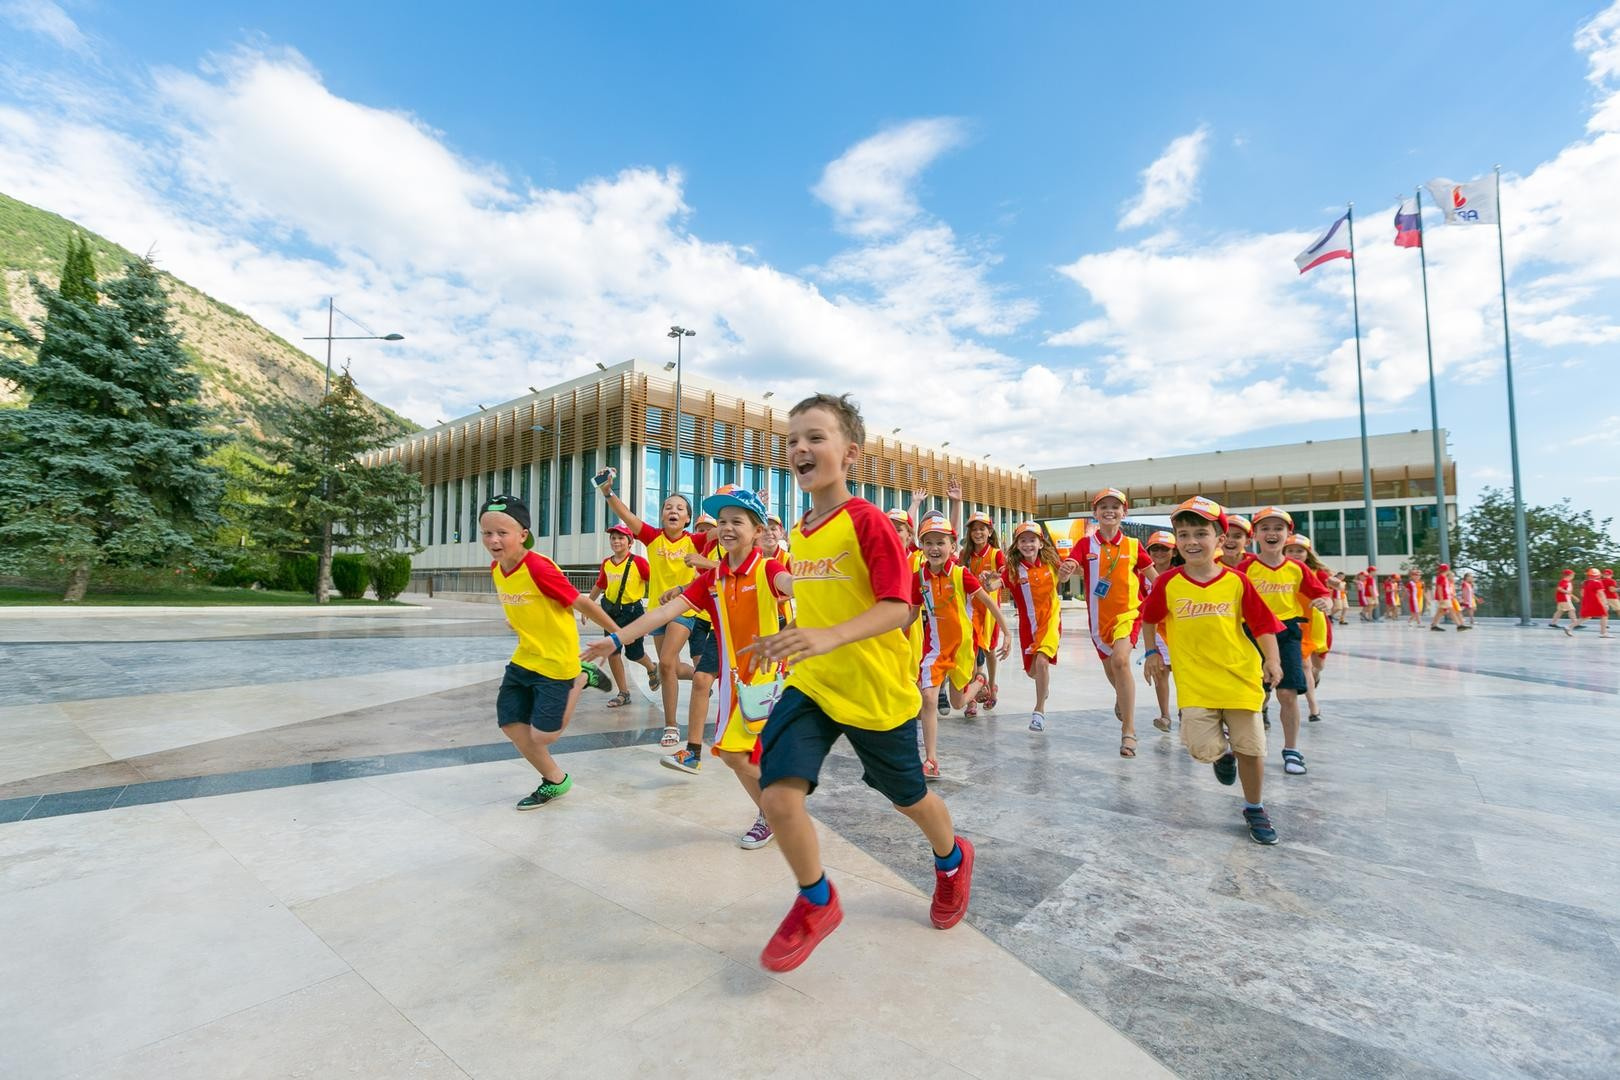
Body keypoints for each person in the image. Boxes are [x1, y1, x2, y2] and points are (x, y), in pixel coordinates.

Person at [749, 393, 974, 973]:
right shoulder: (801, 529)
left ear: (850, 454)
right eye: (792, 438)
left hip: (876, 690)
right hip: (815, 683)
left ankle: (952, 861)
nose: (800, 446)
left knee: (908, 797)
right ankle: (816, 900)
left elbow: (899, 608)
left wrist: (828, 636)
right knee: (777, 792)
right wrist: (795, 635)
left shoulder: (867, 520)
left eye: (815, 436)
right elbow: (826, 601)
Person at [584, 485, 793, 848]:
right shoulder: (713, 578)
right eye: (723, 521)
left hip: (767, 678)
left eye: (737, 521)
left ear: (758, 531)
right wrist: (617, 639)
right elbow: (665, 612)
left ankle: (776, 812)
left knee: (743, 752)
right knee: (733, 753)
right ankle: (773, 812)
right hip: (733, 681)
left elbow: (792, 586)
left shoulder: (768, 568)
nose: (727, 528)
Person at [1142, 497, 1286, 845]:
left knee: (1252, 748)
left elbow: (1263, 625)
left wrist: (1272, 660)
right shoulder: (1168, 583)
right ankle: (1222, 756)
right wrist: (1150, 652)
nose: (1192, 541)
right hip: (1195, 683)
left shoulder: (1237, 582)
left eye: (1201, 533)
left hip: (1240, 677)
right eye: (1184, 534)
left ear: (1219, 539)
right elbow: (1148, 618)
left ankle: (1255, 807)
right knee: (1200, 748)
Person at [479, 495, 616, 810]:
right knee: (511, 723)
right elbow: (525, 602)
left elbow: (580, 602)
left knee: (544, 736)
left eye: (502, 532)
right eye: (487, 533)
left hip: (557, 661)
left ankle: (581, 678)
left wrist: (618, 635)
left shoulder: (539, 567)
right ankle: (555, 780)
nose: (494, 540)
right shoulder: (497, 568)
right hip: (526, 657)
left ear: (523, 534)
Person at [598, 475, 716, 768]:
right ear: (662, 515)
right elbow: (627, 516)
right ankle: (704, 675)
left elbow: (726, 531)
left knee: (664, 663)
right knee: (672, 668)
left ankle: (671, 725)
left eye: (679, 508)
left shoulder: (697, 540)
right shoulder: (652, 537)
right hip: (657, 612)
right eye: (667, 507)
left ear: (688, 518)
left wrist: (754, 513)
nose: (672, 510)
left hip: (685, 608)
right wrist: (608, 493)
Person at [912, 512, 1010, 778]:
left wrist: (1007, 633)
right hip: (935, 650)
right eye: (928, 542)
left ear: (953, 546)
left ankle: (979, 680)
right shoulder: (919, 578)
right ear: (922, 547)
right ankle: (931, 760)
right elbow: (910, 615)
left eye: (940, 542)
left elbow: (989, 603)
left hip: (963, 651)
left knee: (957, 703)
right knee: (929, 698)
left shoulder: (961, 574)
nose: (934, 548)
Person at [1061, 488, 1156, 757]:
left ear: (1124, 513)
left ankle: (1129, 730)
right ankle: (1122, 697)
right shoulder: (1084, 544)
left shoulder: (1135, 547)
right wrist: (1065, 571)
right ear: (1095, 513)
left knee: (1120, 661)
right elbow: (1067, 573)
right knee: (1112, 668)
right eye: (1104, 506)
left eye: (1116, 506)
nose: (1110, 510)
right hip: (1098, 620)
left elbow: (1155, 579)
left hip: (1129, 614)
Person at [1240, 508, 1332, 776]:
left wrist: (1324, 601)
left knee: (1287, 693)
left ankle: (1291, 749)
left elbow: (1321, 593)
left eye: (1278, 528)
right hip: (1252, 634)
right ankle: (1246, 745)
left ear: (1288, 534)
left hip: (1287, 633)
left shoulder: (1297, 568)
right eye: (1265, 528)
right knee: (1255, 694)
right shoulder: (1245, 568)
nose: (1272, 533)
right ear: (1255, 535)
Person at [1006, 521, 1077, 732]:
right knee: (1032, 672)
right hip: (1028, 628)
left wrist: (1065, 572)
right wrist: (988, 581)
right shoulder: (1013, 570)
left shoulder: (1051, 563)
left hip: (1051, 623)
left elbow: (1064, 577)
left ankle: (1039, 711)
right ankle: (1043, 686)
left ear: (1040, 543)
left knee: (1042, 662)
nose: (1028, 544)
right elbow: (995, 584)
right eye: (1023, 540)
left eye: (1032, 540)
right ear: (1017, 545)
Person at [589, 524, 658, 707]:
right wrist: (587, 605)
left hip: (633, 613)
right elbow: (600, 584)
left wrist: (657, 606)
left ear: (630, 542)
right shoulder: (606, 563)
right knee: (612, 652)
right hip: (611, 613)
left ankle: (652, 668)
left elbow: (655, 582)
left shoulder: (639, 562)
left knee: (634, 654)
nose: (616, 541)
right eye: (613, 538)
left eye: (621, 538)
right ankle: (623, 693)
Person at [960, 510, 1008, 717]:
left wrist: (993, 581)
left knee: (989, 651)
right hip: (970, 610)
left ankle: (993, 685)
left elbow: (1005, 575)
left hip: (989, 611)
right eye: (974, 529)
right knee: (970, 653)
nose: (978, 533)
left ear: (990, 531)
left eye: (982, 529)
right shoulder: (965, 555)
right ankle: (971, 697)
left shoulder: (996, 553)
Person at [1282, 535, 1332, 724]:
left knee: (1317, 665)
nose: (1295, 554)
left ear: (1307, 553)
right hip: (1295, 623)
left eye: (1300, 551)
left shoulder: (1318, 572)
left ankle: (1315, 676)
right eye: (1290, 550)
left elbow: (1330, 590)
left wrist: (1332, 589)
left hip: (1317, 623)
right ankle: (1314, 709)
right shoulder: (1282, 570)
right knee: (1304, 665)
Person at [1142, 530, 1176, 733]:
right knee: (1160, 674)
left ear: (1174, 551)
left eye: (1165, 548)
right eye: (1155, 548)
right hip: (1156, 632)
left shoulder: (1183, 572)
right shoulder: (1142, 575)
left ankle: (1186, 711)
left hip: (1180, 631)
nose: (1160, 552)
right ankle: (1165, 716)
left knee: (1183, 676)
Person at [1427, 563, 1468, 631]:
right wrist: (1441, 598)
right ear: (1447, 570)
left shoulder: (1443, 577)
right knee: (1451, 610)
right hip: (1444, 597)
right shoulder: (1441, 577)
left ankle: (1434, 625)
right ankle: (1459, 625)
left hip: (1445, 597)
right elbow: (1439, 588)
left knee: (1440, 611)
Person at [1579, 568, 1612, 638]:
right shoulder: (1597, 582)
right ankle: (1603, 633)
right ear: (1598, 575)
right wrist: (1605, 603)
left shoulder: (1585, 583)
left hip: (1587, 602)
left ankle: (1569, 627)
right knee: (1604, 615)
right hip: (1596, 602)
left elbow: (1582, 593)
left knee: (1587, 617)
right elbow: (1601, 594)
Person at [1550, 569, 1578, 635]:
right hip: (1564, 599)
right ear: (1569, 575)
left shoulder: (1567, 582)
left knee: (1560, 611)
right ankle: (1575, 623)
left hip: (1563, 599)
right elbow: (1559, 589)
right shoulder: (1564, 581)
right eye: (1573, 575)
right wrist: (1568, 593)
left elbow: (1566, 591)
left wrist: (1573, 597)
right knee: (1572, 610)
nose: (1573, 576)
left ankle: (1553, 623)